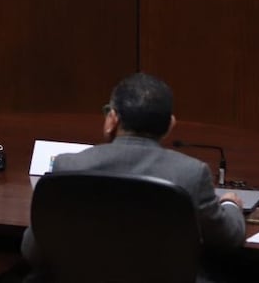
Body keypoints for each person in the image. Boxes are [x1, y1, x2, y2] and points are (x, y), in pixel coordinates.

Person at [21, 73, 245, 282]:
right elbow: (229, 238)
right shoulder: (191, 173)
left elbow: (32, 250)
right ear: (170, 125)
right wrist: (229, 204)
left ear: (112, 118)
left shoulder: (67, 166)